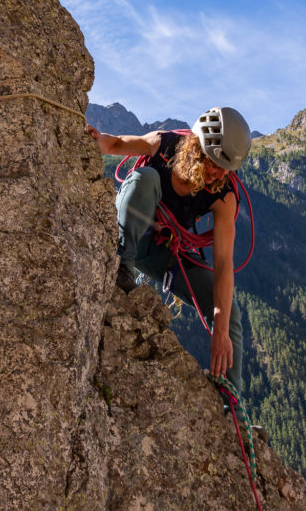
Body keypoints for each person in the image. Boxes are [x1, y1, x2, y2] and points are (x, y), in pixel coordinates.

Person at [87, 106, 252, 395]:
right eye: (213, 164)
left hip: (166, 252)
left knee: (230, 314)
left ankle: (231, 397)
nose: (217, 175)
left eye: (226, 170)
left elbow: (224, 265)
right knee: (145, 178)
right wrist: (94, 139)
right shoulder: (163, 144)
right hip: (131, 232)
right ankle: (121, 269)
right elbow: (114, 144)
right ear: (195, 148)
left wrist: (221, 330)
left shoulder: (224, 196)